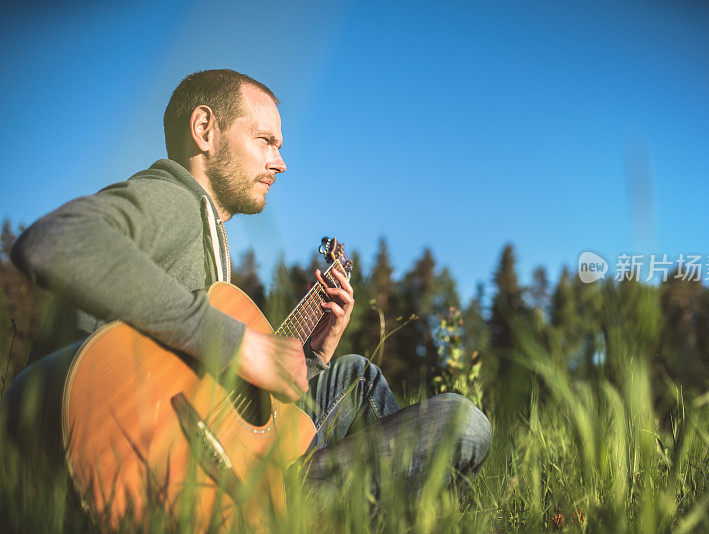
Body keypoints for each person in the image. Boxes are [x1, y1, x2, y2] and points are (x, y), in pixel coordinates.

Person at [3, 69, 492, 516]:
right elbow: (57, 240)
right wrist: (240, 344)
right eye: (266, 141)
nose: (281, 163)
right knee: (460, 423)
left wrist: (311, 356)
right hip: (152, 471)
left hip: (208, 450)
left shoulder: (210, 238)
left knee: (352, 374)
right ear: (205, 130)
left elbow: (215, 396)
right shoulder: (173, 197)